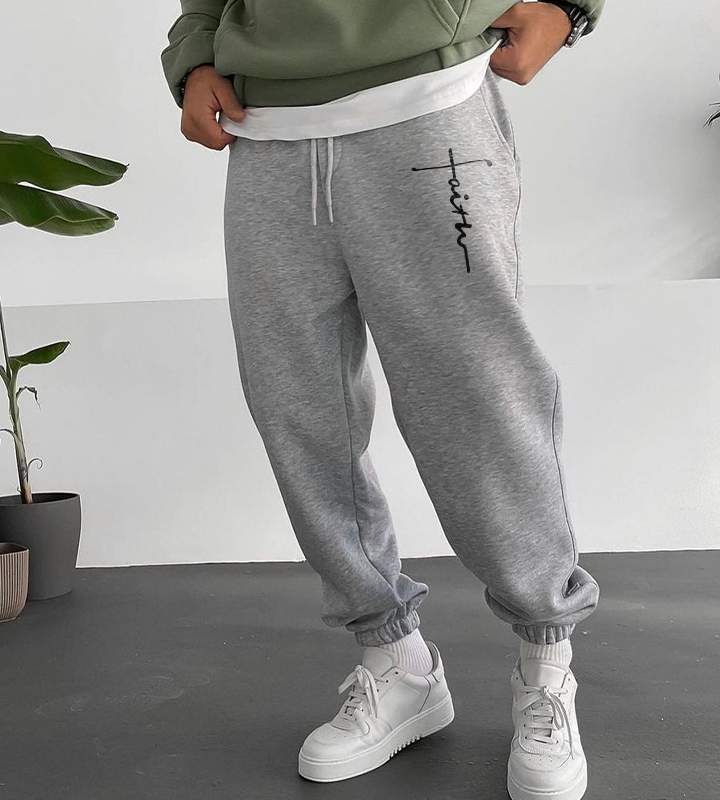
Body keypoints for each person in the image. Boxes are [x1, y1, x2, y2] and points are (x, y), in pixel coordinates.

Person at [162, 1, 604, 797]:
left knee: (476, 396)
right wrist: (195, 54)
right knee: (298, 408)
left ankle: (546, 661)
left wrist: (569, 8)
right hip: (269, 133)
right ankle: (396, 660)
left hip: (427, 107)